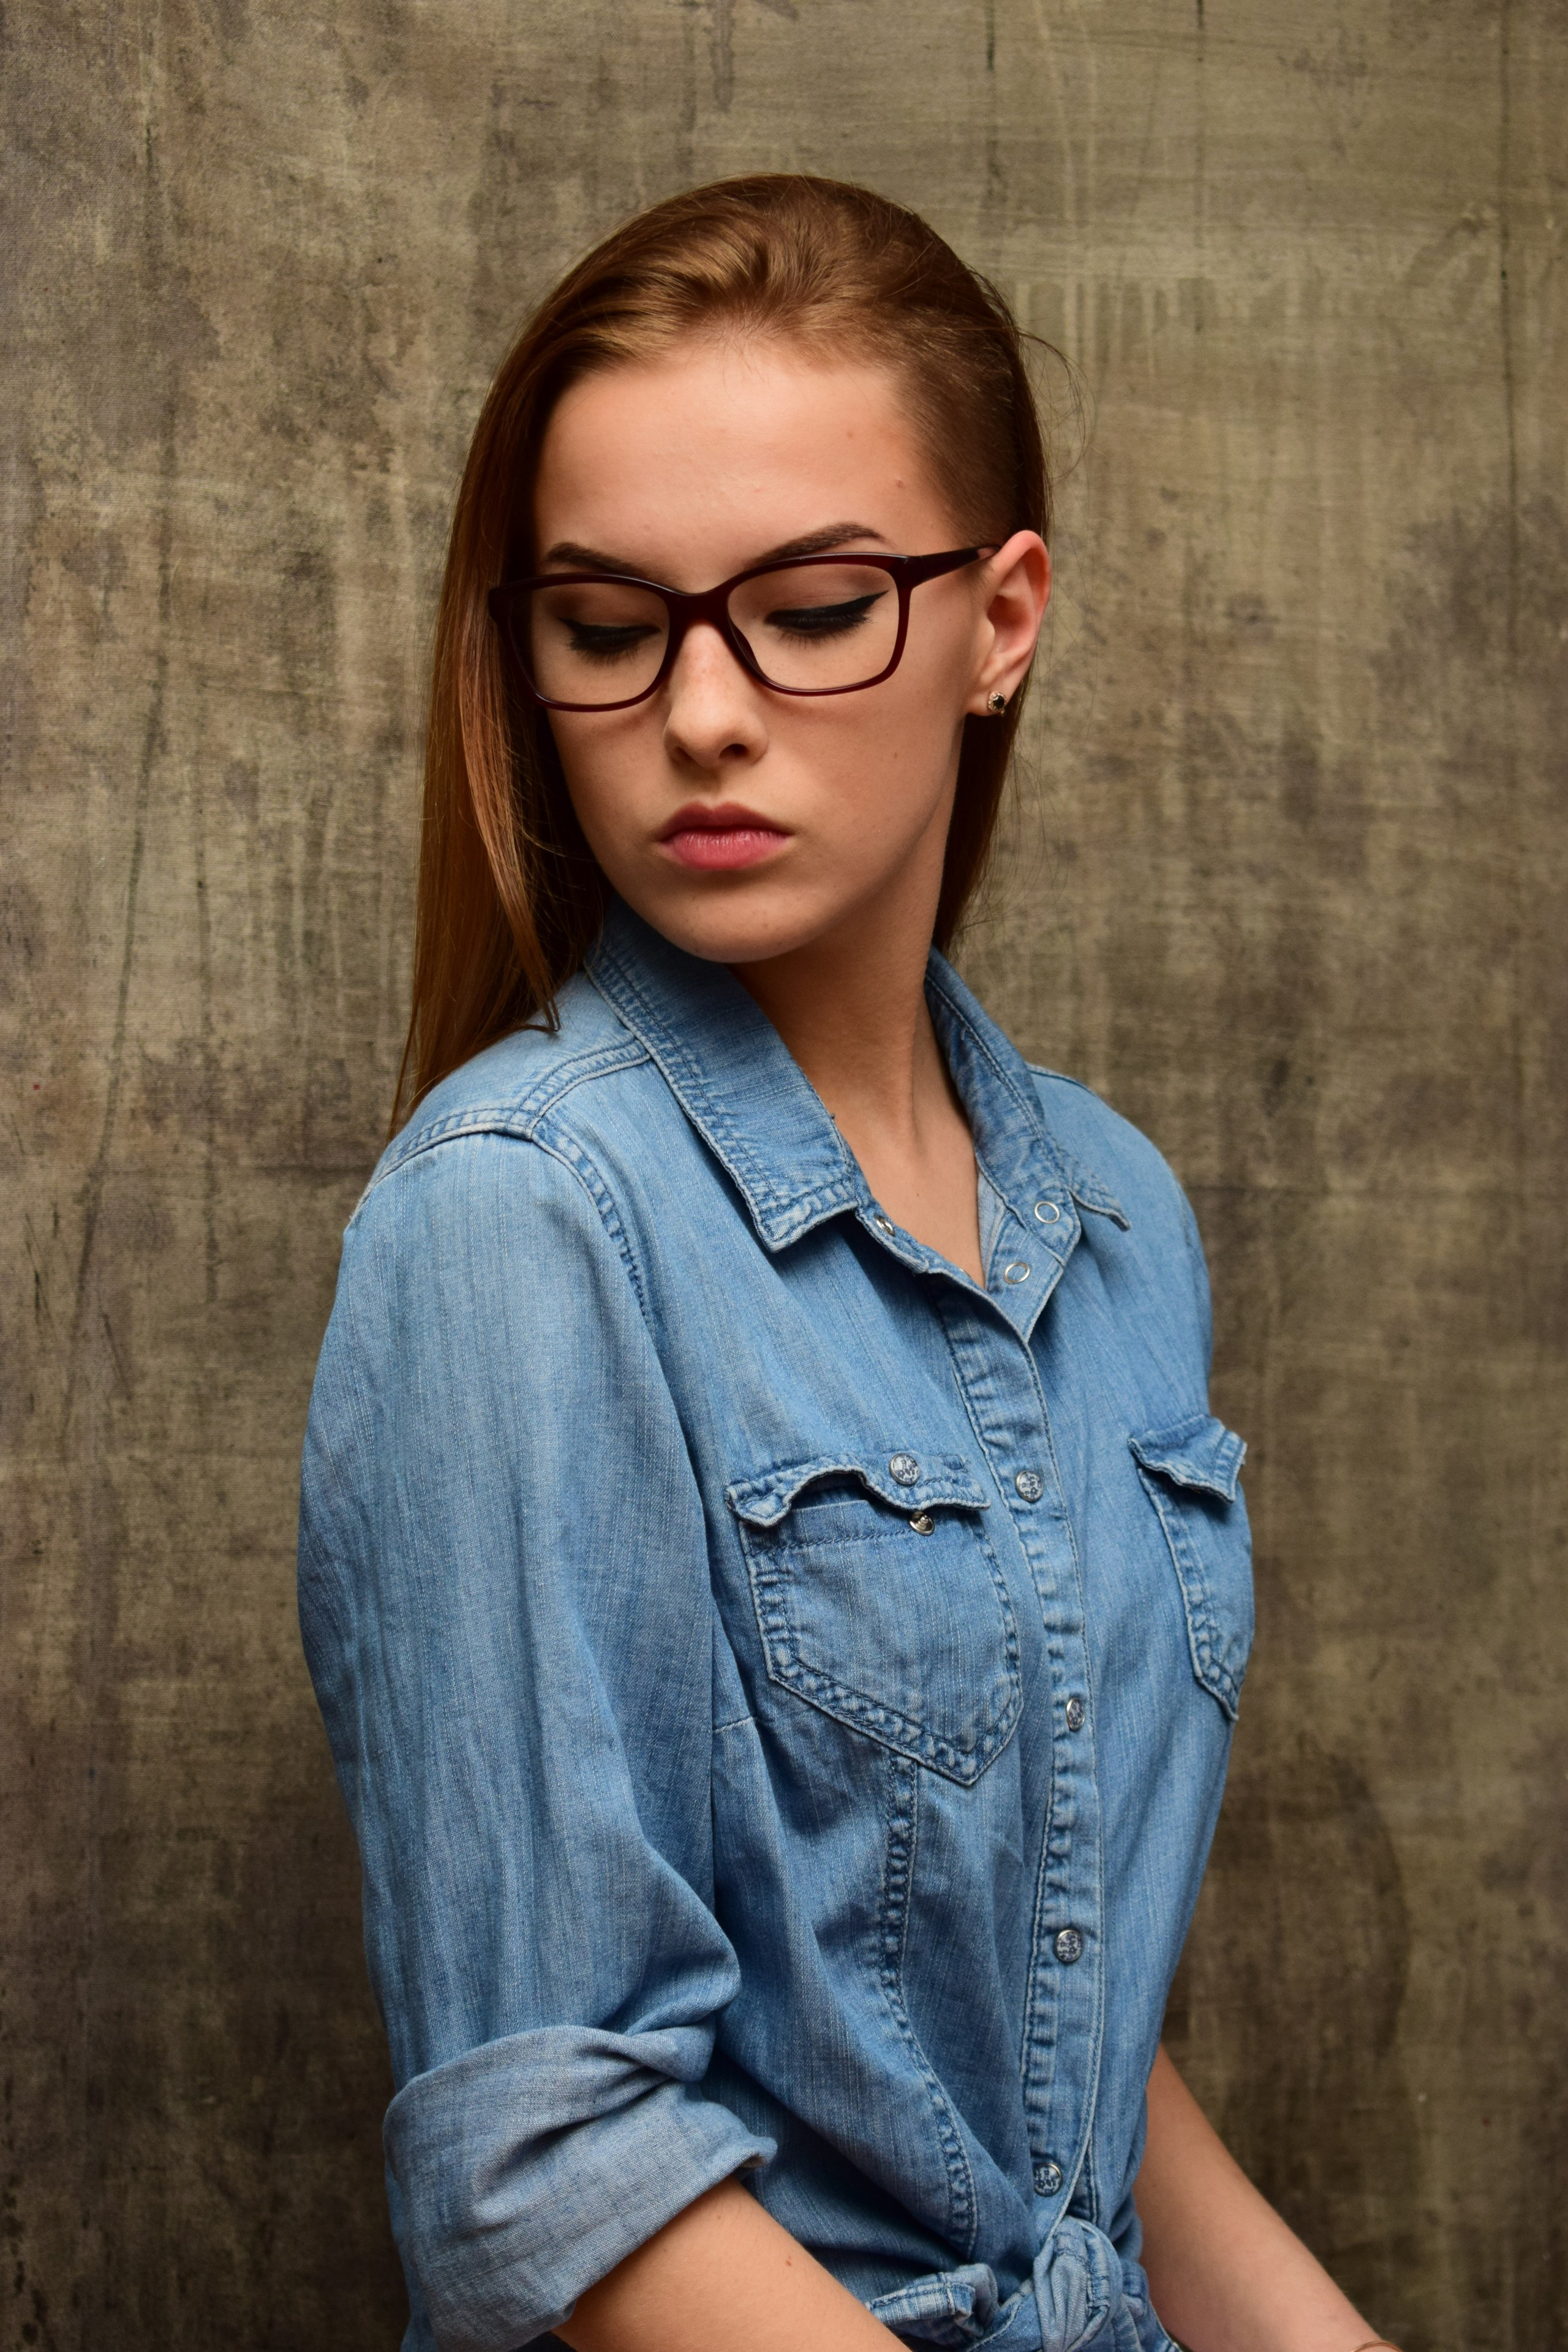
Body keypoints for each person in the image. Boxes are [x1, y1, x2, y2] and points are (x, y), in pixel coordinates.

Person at [298, 175, 1399, 2352]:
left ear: (1004, 618)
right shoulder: (522, 1219)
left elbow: (1055, 2042)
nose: (702, 710)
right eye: (609, 625)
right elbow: (557, 2171)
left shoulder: (1117, 1213)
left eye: (811, 607)